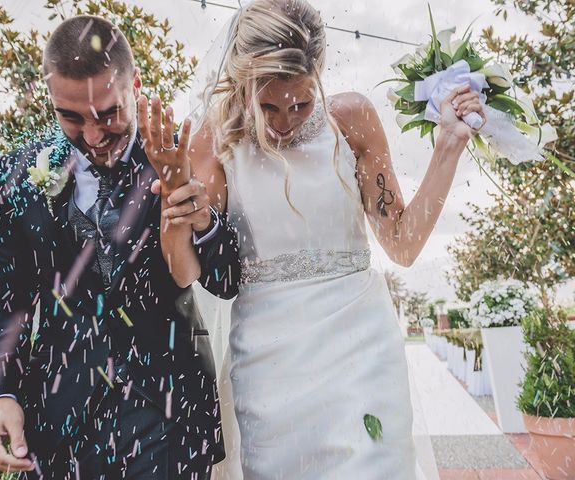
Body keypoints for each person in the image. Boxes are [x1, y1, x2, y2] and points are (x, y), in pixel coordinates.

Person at [159, 0, 486, 478]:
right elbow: (187, 271)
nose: (285, 121)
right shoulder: (216, 140)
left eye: (301, 103)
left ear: (320, 73)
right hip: (270, 363)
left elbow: (403, 244)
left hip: (363, 348)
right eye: (268, 104)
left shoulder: (352, 121)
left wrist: (447, 148)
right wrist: (173, 209)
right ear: (244, 79)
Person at [0, 15, 239, 479]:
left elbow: (228, 279)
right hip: (59, 423)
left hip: (169, 415)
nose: (94, 136)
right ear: (52, 99)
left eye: (108, 114)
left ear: (134, 84)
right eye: (72, 117)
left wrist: (201, 218)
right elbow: (7, 294)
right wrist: (0, 394)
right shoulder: (16, 176)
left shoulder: (185, 152)